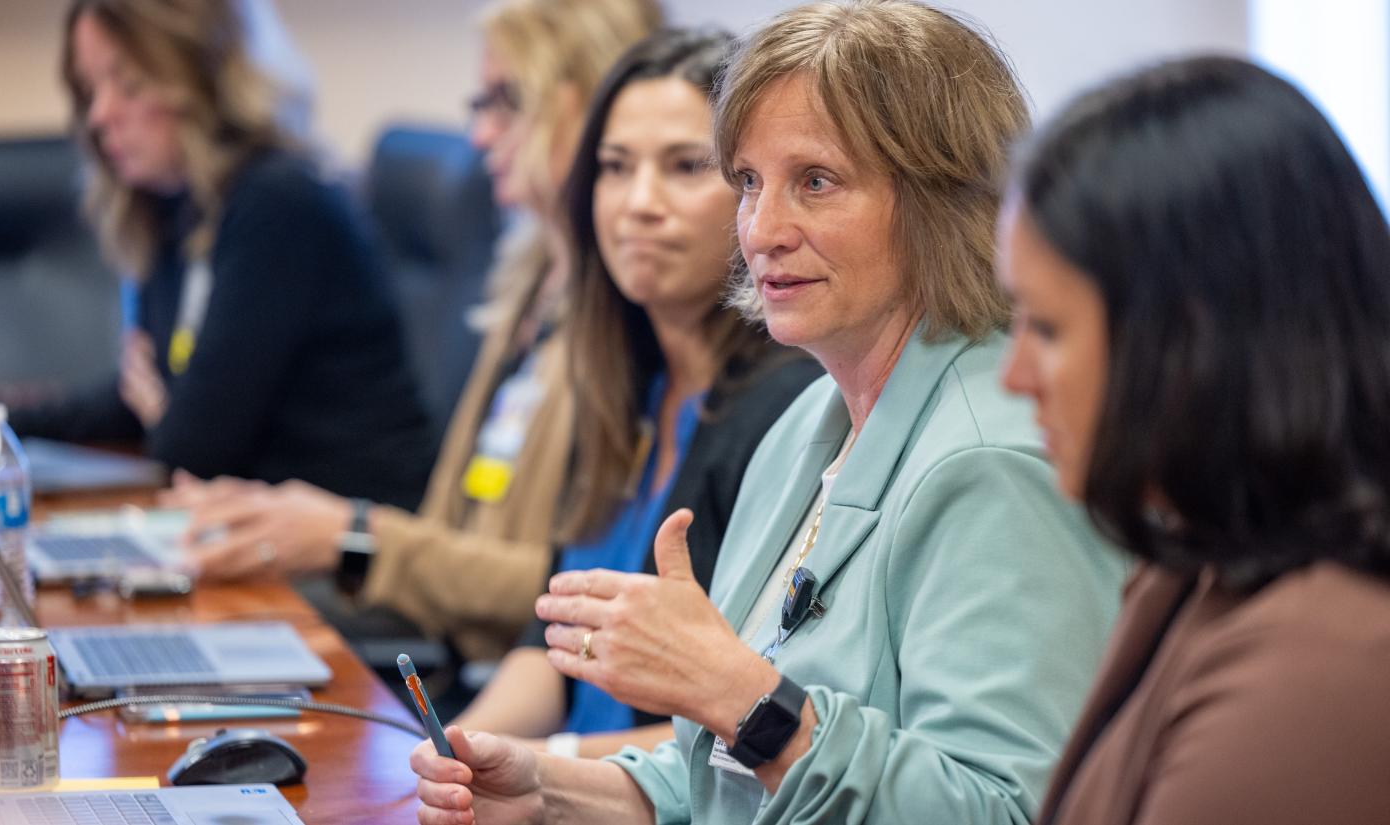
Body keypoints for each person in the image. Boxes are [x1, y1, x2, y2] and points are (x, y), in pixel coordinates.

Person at [409, 2, 1125, 823]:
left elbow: (1002, 810)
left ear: (943, 199)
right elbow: (728, 780)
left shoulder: (994, 463)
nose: (762, 229)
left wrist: (742, 695)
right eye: (749, 182)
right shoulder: (803, 427)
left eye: (814, 182)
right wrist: (550, 792)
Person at [165, 0, 663, 665]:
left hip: (503, 682)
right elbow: (444, 533)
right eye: (479, 103)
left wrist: (354, 535)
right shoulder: (530, 279)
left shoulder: (635, 317)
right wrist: (322, 527)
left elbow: (572, 588)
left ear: (590, 104)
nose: (481, 135)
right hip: (448, 655)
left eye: (506, 101)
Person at [996, 57, 1390, 825]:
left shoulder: (1320, 664)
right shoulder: (1198, 561)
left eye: (1045, 328)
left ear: (1193, 341)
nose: (1014, 376)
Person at [451, 29, 822, 760]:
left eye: (686, 166)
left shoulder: (789, 405)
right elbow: (550, 643)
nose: (638, 204)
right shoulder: (624, 378)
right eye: (615, 168)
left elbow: (743, 725)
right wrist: (452, 748)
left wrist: (541, 765)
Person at [8, 0, 434, 510]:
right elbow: (140, 397)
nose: (100, 115)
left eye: (129, 84)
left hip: (346, 551)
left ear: (200, 74)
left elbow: (192, 449)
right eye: (90, 89)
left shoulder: (279, 204)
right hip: (250, 528)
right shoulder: (176, 205)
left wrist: (165, 408)